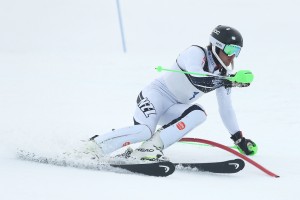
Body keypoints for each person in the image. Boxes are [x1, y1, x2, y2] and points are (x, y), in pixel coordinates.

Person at [84, 25, 257, 161]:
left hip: (172, 109)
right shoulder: (196, 53)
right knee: (144, 131)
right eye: (230, 50)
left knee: (199, 113)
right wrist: (229, 80)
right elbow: (198, 78)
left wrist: (239, 139)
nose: (232, 56)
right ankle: (94, 146)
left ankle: (149, 148)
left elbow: (226, 109)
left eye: (237, 52)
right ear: (218, 46)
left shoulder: (222, 75)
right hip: (155, 97)